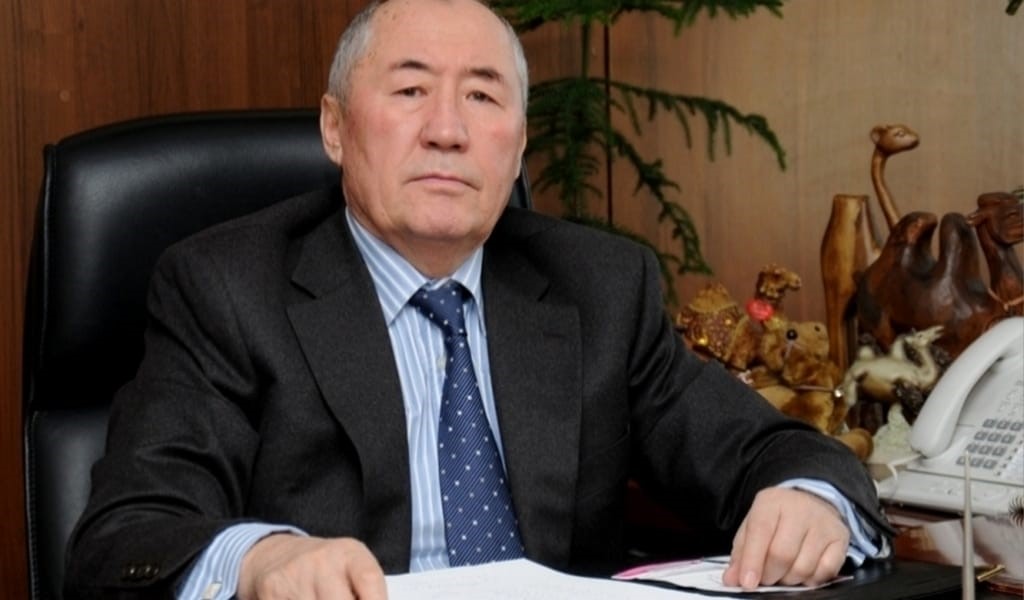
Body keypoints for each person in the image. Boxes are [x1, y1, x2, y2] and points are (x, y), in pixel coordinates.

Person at [65, 0, 892, 598]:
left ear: (518, 143)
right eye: (410, 90)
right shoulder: (225, 288)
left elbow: (775, 451)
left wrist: (807, 499)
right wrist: (260, 560)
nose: (448, 130)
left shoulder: (600, 287)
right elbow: (125, 537)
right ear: (335, 128)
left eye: (484, 96)